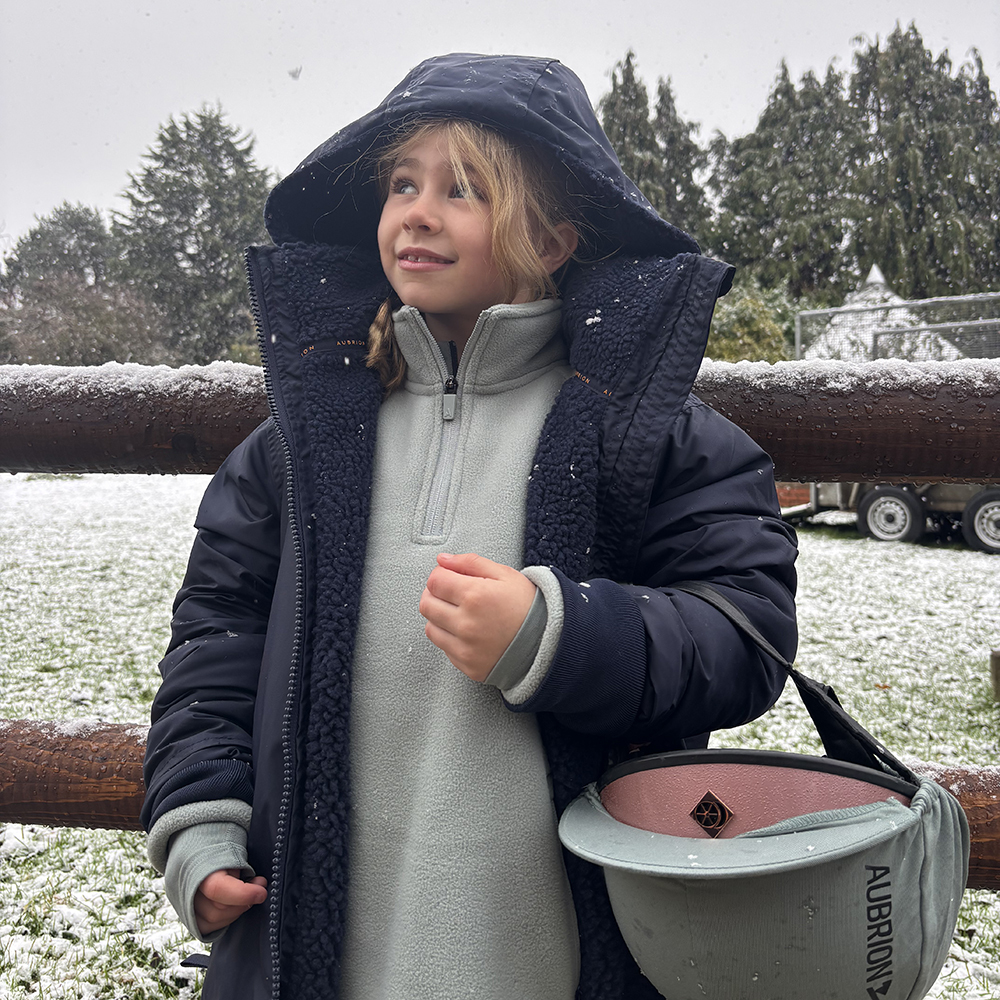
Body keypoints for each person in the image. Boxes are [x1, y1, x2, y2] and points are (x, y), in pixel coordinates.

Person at [141, 53, 797, 1000]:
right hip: (322, 947)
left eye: (465, 189)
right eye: (402, 182)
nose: (417, 210)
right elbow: (217, 637)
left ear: (557, 239)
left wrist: (562, 636)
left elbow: (743, 630)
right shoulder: (298, 445)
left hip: (552, 953)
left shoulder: (648, 435)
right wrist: (199, 819)